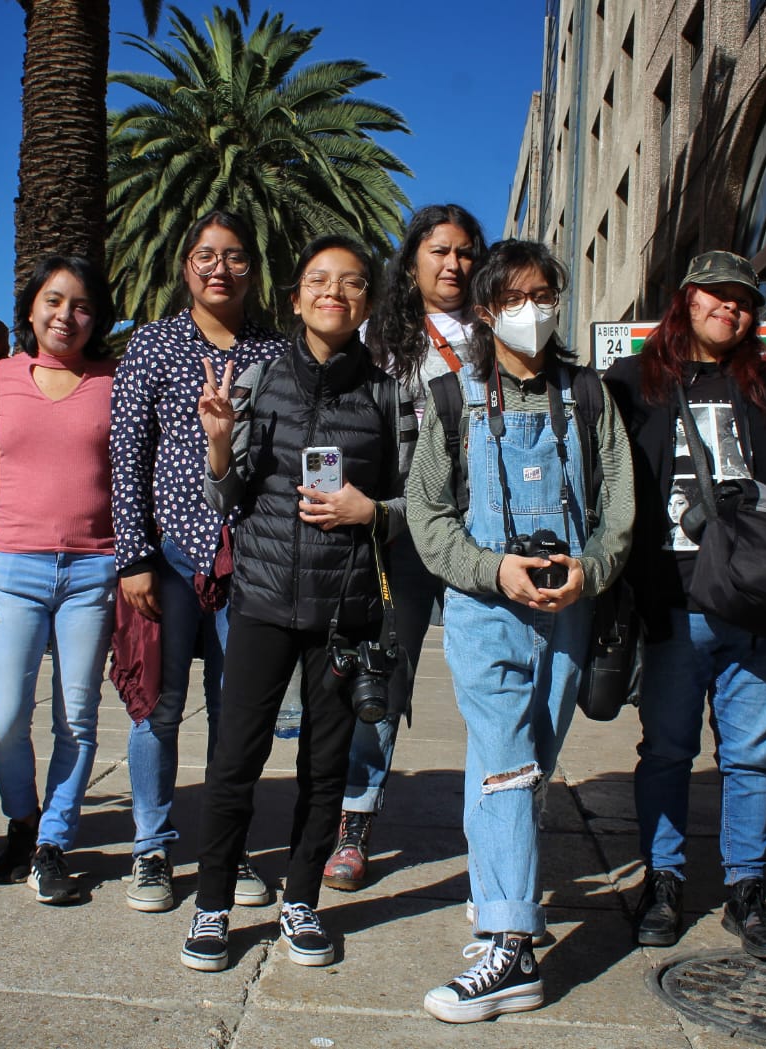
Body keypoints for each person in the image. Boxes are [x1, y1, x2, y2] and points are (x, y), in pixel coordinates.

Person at [408, 240, 634, 1023]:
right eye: (514, 298)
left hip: (567, 613)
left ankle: (492, 897)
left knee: (520, 766)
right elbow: (428, 517)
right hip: (484, 611)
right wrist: (490, 568)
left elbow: (619, 510)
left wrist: (592, 569)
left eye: (545, 294)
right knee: (505, 763)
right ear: (485, 308)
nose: (531, 311)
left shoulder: (591, 397)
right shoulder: (450, 399)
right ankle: (513, 946)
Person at [178, 235, 410, 973]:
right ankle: (212, 904)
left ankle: (300, 901)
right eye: (318, 279)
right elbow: (229, 495)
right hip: (262, 603)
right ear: (295, 295)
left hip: (346, 616)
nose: (332, 293)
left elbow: (421, 506)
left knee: (326, 767)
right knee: (234, 760)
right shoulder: (257, 378)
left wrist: (367, 510)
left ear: (368, 301)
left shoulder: (386, 391)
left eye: (349, 283)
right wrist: (219, 443)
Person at [604, 251, 766, 963]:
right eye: (715, 297)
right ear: (686, 299)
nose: (727, 310)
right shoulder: (634, 382)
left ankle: (747, 889)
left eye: (742, 301)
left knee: (751, 755)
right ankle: (663, 880)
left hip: (758, 601)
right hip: (674, 599)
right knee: (668, 749)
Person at [109, 211, 289, 912]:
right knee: (157, 706)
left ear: (252, 268)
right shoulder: (152, 347)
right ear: (186, 265)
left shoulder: (276, 353)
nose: (221, 268)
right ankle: (151, 848)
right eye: (207, 255)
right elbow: (126, 455)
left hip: (251, 559)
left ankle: (228, 846)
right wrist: (133, 556)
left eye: (236, 256)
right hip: (169, 557)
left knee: (235, 712)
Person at [323, 204, 486, 892]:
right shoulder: (378, 342)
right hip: (404, 537)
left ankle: (495, 831)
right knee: (383, 684)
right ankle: (354, 823)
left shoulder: (498, 333)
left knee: (491, 687)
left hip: (483, 540)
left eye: (467, 252)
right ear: (412, 260)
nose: (454, 264)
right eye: (440, 250)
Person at [0, 256, 120, 905]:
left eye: (82, 305)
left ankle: (52, 840)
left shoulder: (111, 382)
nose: (67, 315)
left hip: (93, 568)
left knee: (77, 716)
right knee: (6, 714)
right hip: (14, 565)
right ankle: (20, 815)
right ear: (31, 307)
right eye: (54, 300)